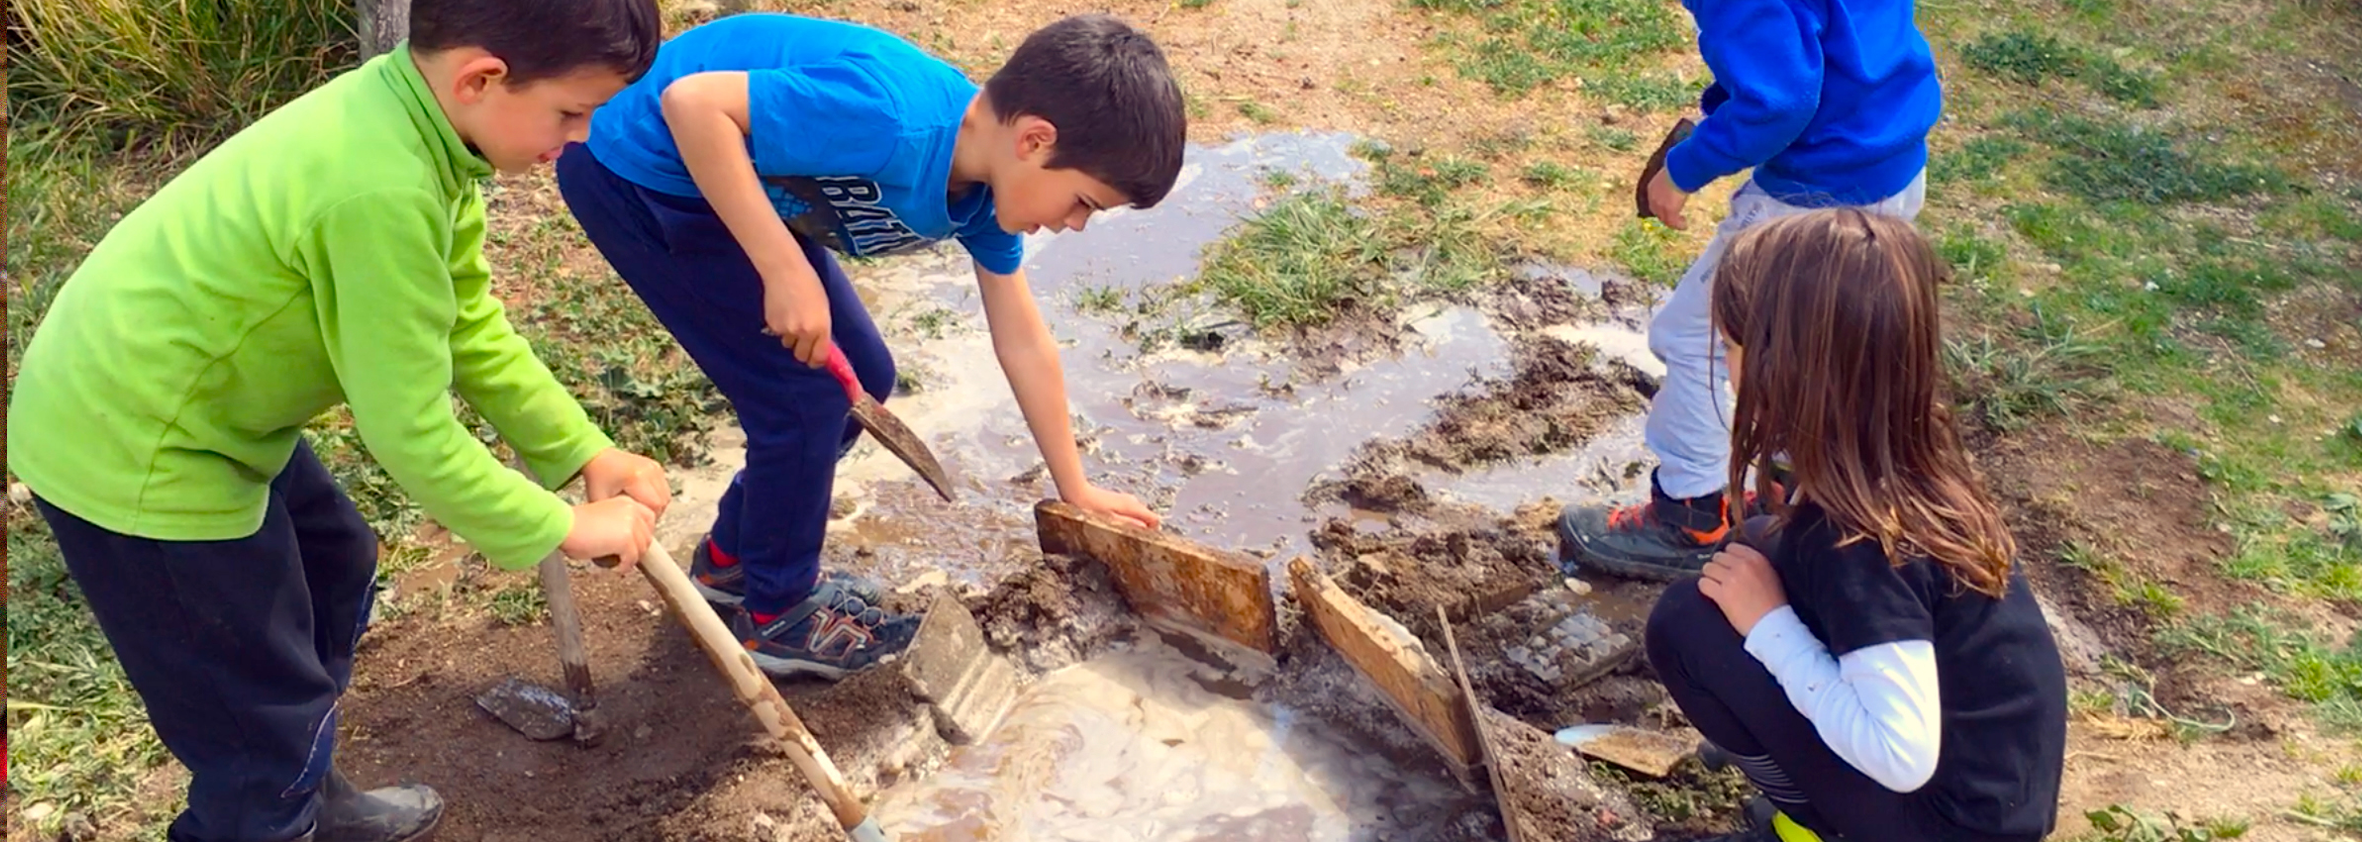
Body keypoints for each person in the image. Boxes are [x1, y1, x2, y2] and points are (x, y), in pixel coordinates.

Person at [6, 0, 669, 838]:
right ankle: (275, 788)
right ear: (481, 78)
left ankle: (305, 784)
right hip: (137, 442)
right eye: (572, 113)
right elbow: (412, 433)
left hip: (195, 403)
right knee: (253, 726)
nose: (579, 137)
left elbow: (466, 318)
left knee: (334, 564)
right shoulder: (381, 186)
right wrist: (561, 527)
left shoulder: (424, 129)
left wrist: (581, 450)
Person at [556, 12, 1183, 679]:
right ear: (1033, 139)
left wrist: (1075, 487)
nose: (1077, 225)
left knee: (861, 381)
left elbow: (1023, 340)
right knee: (803, 400)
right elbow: (692, 104)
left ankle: (734, 562)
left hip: (729, 178)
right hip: (641, 169)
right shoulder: (890, 120)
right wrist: (782, 266)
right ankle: (778, 613)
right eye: (1084, 201)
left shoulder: (984, 196)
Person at [1641, 210, 2068, 841]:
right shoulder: (1901, 459)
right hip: (1996, 796)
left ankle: (1807, 823)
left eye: (1731, 346)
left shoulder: (1858, 542)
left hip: (1944, 824)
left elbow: (1900, 754)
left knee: (1685, 623)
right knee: (1759, 542)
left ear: (1788, 367)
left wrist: (1769, 627)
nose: (1725, 363)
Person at [1560, 0, 1943, 579]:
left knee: (1695, 338)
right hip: (1889, 157)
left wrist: (1684, 170)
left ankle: (1689, 514)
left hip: (1813, 193)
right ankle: (1794, 483)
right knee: (1814, 337)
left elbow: (1780, 102)